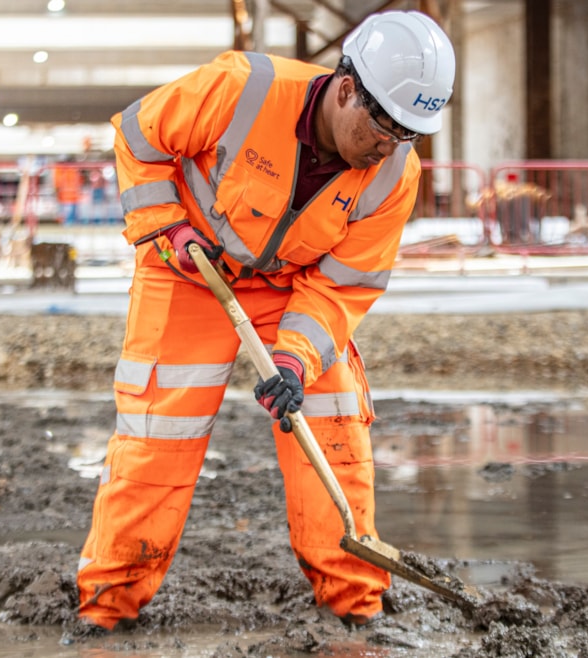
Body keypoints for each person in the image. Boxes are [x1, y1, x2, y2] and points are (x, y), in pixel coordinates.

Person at [74, 10, 455, 634]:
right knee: (156, 441)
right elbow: (139, 138)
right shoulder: (241, 88)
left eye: (409, 134)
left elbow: (344, 284)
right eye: (383, 125)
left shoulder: (393, 174)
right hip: (190, 268)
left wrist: (294, 359)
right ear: (347, 86)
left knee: (333, 430)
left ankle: (354, 608)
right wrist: (166, 225)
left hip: (292, 286)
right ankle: (106, 610)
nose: (387, 146)